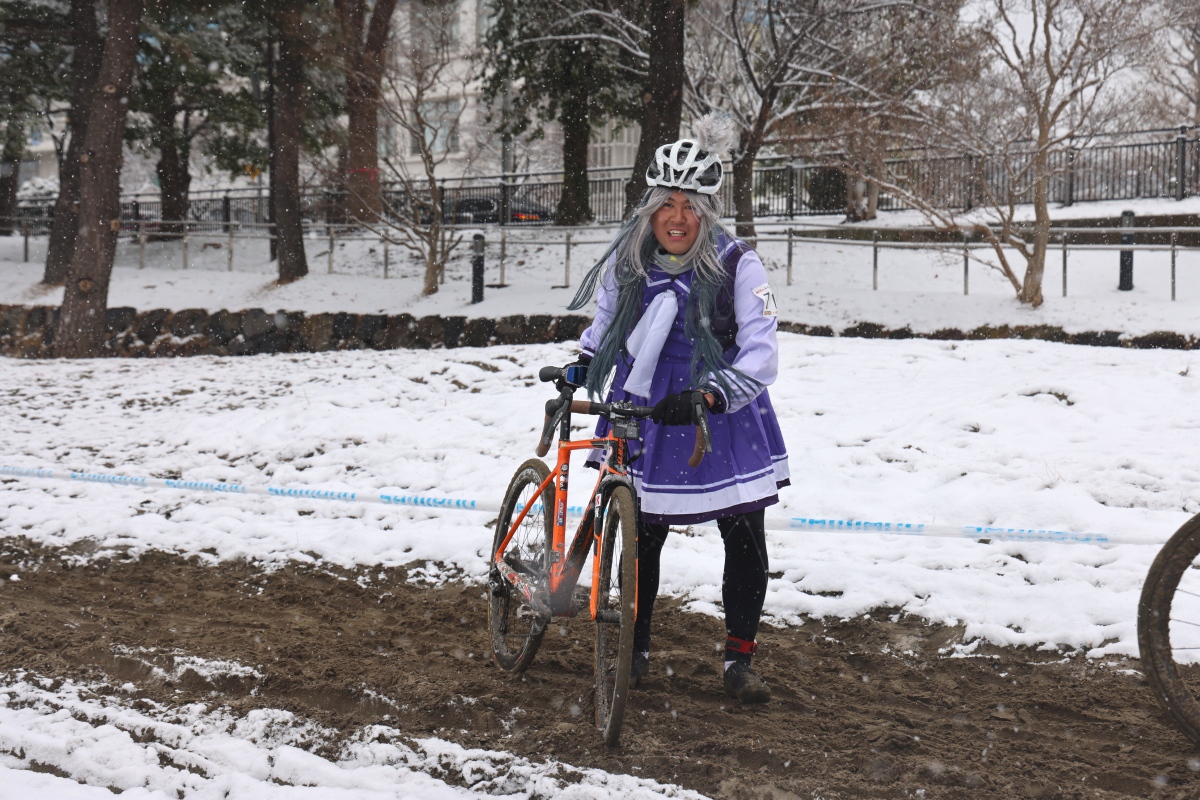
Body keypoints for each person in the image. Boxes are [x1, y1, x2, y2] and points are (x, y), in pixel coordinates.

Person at [564, 114, 789, 704]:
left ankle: (740, 660)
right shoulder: (629, 260)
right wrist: (583, 362)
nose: (678, 217)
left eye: (691, 206)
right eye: (667, 203)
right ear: (650, 208)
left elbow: (762, 351)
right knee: (643, 537)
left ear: (708, 212)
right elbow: (605, 325)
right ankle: (634, 651)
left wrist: (712, 394)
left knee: (744, 536)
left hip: (720, 409)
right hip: (645, 405)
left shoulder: (739, 264)